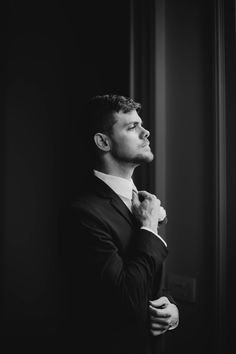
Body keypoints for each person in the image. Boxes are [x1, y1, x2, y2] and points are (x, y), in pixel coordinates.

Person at [64, 94, 179, 354]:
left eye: (141, 124)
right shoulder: (84, 212)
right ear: (103, 141)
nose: (146, 132)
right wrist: (149, 226)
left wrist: (170, 308)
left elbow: (147, 278)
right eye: (132, 127)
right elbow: (126, 301)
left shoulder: (142, 203)